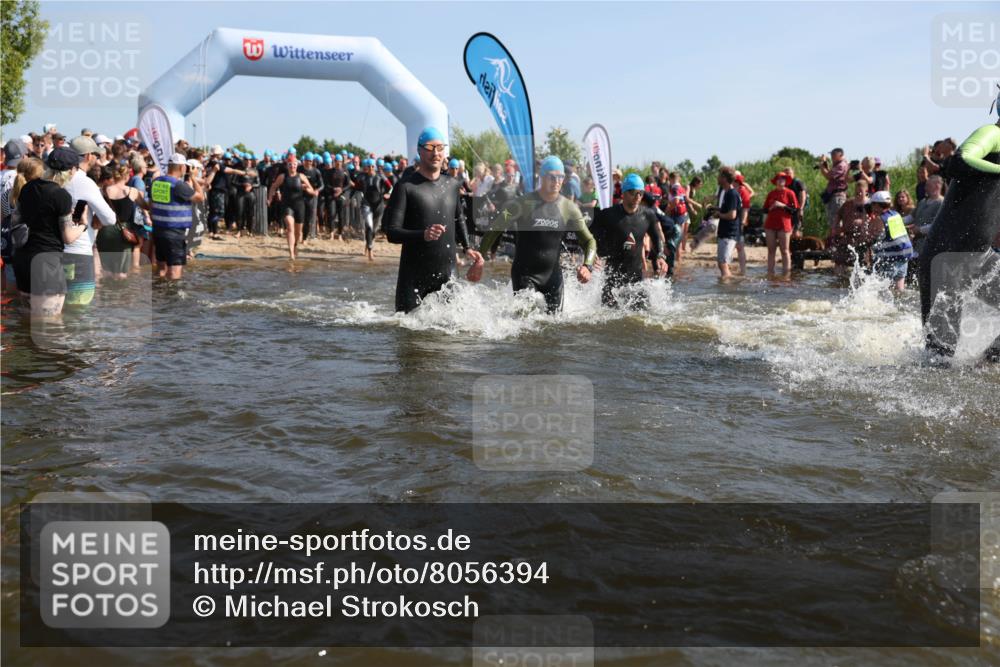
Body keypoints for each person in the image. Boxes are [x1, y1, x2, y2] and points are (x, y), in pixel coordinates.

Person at [470, 155, 596, 313]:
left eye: (560, 177)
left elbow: (589, 241)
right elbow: (495, 229)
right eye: (552, 176)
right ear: (542, 177)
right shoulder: (522, 203)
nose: (556, 181)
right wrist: (479, 258)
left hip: (553, 277)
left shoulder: (569, 208)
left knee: (554, 326)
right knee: (524, 325)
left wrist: (587, 266)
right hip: (524, 274)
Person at [383, 127, 483, 313]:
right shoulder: (405, 187)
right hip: (413, 277)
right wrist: (423, 235)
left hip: (447, 275)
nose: (435, 153)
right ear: (420, 151)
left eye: (439, 147)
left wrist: (468, 248)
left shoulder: (453, 185)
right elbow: (392, 233)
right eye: (430, 147)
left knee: (451, 334)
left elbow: (458, 218)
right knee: (407, 333)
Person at [12, 147, 82, 317]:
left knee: (27, 322)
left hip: (22, 259)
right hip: (46, 262)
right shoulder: (61, 195)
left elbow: (17, 219)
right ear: (71, 170)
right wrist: (82, 225)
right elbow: (68, 237)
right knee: (49, 326)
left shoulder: (28, 187)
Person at [590, 172, 667, 309]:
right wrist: (593, 254)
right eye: (633, 192)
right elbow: (590, 235)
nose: (637, 196)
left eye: (641, 193)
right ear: (624, 193)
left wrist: (660, 255)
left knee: (643, 319)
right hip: (612, 281)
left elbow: (657, 237)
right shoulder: (609, 214)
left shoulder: (647, 215)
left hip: (636, 281)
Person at [64, 135, 116, 306]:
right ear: (87, 156)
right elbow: (109, 218)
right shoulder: (85, 182)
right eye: (95, 154)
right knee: (79, 309)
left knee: (58, 308)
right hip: (79, 253)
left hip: (55, 250)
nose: (97, 158)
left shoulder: (57, 179)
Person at [149, 152, 205, 280]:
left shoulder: (156, 182)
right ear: (182, 167)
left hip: (158, 231)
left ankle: (158, 295)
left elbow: (151, 205)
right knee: (174, 273)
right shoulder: (179, 185)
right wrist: (193, 178)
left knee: (161, 270)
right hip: (174, 234)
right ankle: (172, 298)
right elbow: (200, 197)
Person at [96, 161, 146, 279]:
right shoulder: (132, 191)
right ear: (127, 176)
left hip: (105, 231)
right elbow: (145, 206)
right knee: (121, 273)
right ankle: (121, 296)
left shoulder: (104, 190)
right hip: (123, 232)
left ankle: (107, 295)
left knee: (107, 271)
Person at [267, 154, 316, 260]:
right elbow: (273, 186)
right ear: (287, 165)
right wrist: (270, 198)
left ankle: (295, 246)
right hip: (287, 205)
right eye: (290, 164)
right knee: (289, 227)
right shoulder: (283, 177)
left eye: (294, 164)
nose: (292, 166)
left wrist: (307, 189)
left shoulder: (301, 176)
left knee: (298, 232)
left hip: (299, 206)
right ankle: (291, 254)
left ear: (297, 165)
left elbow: (312, 190)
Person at [829, 179, 879, 277]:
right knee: (840, 260)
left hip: (864, 238)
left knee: (864, 264)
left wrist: (863, 222)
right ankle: (838, 281)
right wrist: (835, 226)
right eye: (857, 192)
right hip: (848, 236)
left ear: (866, 191)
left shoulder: (870, 204)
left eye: (860, 192)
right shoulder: (849, 203)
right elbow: (839, 214)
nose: (858, 193)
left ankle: (862, 281)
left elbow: (877, 220)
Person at [869, 190, 915, 292]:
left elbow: (875, 238)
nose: (871, 207)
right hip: (903, 258)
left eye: (872, 204)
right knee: (899, 292)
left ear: (876, 205)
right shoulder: (895, 214)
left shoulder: (879, 219)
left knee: (884, 293)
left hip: (890, 260)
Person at [762, 171, 799, 278]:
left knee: (785, 250)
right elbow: (764, 209)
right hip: (770, 224)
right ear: (775, 181)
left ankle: (786, 274)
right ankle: (770, 273)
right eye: (779, 178)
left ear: (786, 181)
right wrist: (770, 208)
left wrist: (782, 205)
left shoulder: (790, 193)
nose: (781, 180)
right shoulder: (771, 193)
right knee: (771, 250)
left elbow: (794, 210)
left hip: (784, 224)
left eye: (783, 179)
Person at [709, 167, 742, 278]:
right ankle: (727, 286)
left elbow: (732, 215)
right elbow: (727, 210)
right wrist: (716, 209)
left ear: (724, 178)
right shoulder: (727, 193)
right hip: (725, 232)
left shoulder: (732, 194)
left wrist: (719, 215)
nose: (717, 178)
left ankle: (727, 290)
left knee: (723, 264)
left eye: (719, 176)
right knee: (722, 263)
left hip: (729, 233)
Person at [819, 147, 849, 235]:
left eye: (834, 154)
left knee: (836, 221)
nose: (831, 156)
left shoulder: (841, 165)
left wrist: (821, 166)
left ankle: (838, 243)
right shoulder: (837, 165)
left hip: (837, 197)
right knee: (833, 221)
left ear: (841, 155)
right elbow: (830, 174)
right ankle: (834, 241)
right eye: (831, 154)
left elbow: (829, 176)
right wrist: (825, 164)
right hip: (834, 196)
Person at [785, 167, 807, 237]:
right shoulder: (785, 184)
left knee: (797, 229)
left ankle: (799, 245)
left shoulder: (798, 182)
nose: (787, 175)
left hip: (798, 209)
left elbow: (803, 196)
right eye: (786, 174)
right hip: (789, 209)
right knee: (789, 229)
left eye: (789, 173)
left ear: (793, 174)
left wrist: (801, 209)